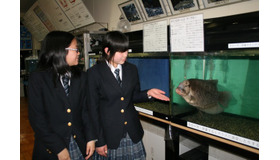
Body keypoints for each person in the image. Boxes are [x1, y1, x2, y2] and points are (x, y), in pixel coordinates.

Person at [87, 31, 170, 159]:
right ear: (107, 50)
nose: (125, 55)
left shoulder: (131, 69)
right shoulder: (94, 73)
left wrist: (147, 93)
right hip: (109, 134)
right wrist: (99, 141)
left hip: (131, 131)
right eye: (121, 52)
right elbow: (92, 109)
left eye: (126, 50)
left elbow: (133, 96)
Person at [28, 31, 96, 160]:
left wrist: (91, 137)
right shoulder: (38, 79)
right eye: (75, 49)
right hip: (51, 147)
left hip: (79, 143)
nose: (78, 53)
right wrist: (58, 148)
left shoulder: (81, 77)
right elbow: (37, 119)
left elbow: (86, 111)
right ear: (60, 51)